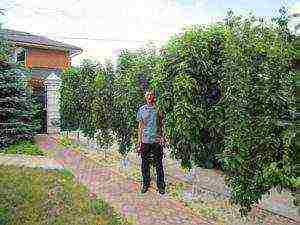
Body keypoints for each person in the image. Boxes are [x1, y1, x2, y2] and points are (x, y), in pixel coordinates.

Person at [136, 90, 166, 194]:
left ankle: (161, 186)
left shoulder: (158, 109)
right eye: (147, 95)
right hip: (145, 141)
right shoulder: (141, 109)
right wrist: (139, 141)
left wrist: (163, 137)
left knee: (159, 164)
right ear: (145, 97)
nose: (149, 97)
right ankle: (145, 184)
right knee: (145, 164)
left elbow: (162, 124)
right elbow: (140, 126)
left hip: (156, 141)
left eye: (151, 95)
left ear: (154, 97)